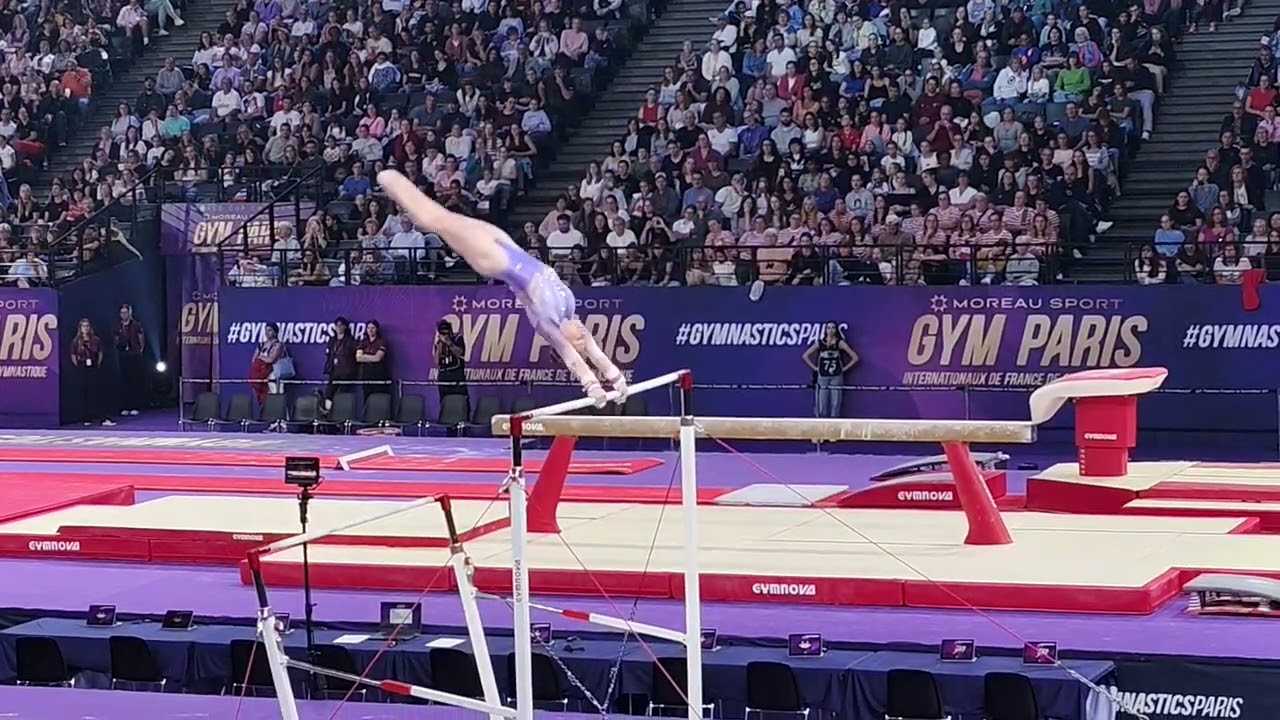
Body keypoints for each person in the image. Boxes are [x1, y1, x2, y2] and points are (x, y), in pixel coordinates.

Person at [380, 170, 627, 406]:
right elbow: (595, 352)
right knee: (449, 218)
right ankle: (397, 186)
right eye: (584, 336)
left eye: (579, 340)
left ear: (568, 341)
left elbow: (572, 357)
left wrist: (591, 385)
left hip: (496, 261)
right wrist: (616, 378)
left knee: (439, 222)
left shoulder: (548, 323)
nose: (584, 334)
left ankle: (394, 187)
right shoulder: (570, 310)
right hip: (510, 247)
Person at [802, 323, 859, 423]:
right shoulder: (820, 343)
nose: (831, 330)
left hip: (836, 377)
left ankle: (833, 433)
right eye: (828, 328)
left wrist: (843, 369)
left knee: (835, 404)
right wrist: (815, 368)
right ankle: (820, 430)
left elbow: (855, 357)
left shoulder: (839, 343)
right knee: (821, 405)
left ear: (836, 330)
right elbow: (805, 355)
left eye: (833, 328)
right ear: (825, 330)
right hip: (822, 377)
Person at [71, 318, 111, 426]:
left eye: (87, 326)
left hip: (93, 367)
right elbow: (73, 355)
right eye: (83, 326)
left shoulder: (95, 340)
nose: (86, 328)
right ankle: (86, 418)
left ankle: (101, 417)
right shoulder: (76, 341)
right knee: (84, 393)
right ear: (80, 328)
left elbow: (100, 352)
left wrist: (97, 364)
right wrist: (78, 365)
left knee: (96, 392)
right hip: (82, 366)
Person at [112, 304, 146, 416]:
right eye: (121, 313)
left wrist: (139, 350)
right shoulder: (118, 326)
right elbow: (115, 340)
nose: (123, 315)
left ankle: (135, 406)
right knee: (125, 381)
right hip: (123, 356)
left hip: (134, 356)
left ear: (130, 313)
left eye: (125, 312)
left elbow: (141, 340)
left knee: (135, 381)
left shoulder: (136, 325)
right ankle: (125, 406)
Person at [322, 317, 358, 412]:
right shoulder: (332, 340)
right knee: (329, 393)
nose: (338, 327)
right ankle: (327, 412)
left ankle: (341, 414)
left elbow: (355, 357)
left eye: (341, 325)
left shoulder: (350, 341)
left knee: (343, 395)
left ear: (345, 327)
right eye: (337, 325)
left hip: (346, 372)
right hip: (334, 372)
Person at [434, 318, 469, 414]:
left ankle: (462, 424)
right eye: (442, 333)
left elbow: (459, 353)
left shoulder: (458, 339)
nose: (445, 335)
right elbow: (436, 361)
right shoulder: (439, 343)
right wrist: (441, 345)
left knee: (460, 402)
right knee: (445, 404)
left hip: (456, 376)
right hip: (444, 377)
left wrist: (449, 343)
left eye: (446, 332)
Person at [249, 322, 285, 407]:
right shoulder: (261, 344)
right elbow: (254, 359)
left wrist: (261, 357)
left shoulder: (278, 345)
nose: (267, 332)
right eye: (266, 330)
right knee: (263, 397)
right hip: (262, 374)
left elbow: (271, 359)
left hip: (274, 374)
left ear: (275, 333)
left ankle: (278, 416)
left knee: (275, 395)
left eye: (270, 330)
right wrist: (262, 358)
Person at [356, 319, 391, 402]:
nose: (370, 330)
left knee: (378, 399)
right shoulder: (362, 342)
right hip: (366, 375)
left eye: (373, 328)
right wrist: (371, 357)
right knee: (367, 399)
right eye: (368, 328)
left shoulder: (381, 342)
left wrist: (365, 357)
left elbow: (378, 358)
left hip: (378, 375)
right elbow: (358, 358)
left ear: (377, 329)